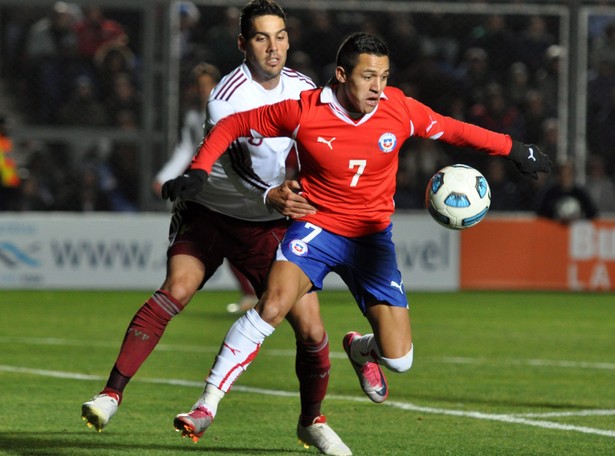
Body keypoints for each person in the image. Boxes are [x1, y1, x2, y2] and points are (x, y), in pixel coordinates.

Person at [163, 32, 551, 449]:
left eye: (384, 77)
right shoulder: (304, 112)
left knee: (400, 359)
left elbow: (453, 131)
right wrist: (200, 169)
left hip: (371, 239)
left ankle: (360, 349)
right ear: (342, 74)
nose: (378, 87)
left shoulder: (398, 109)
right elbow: (234, 124)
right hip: (317, 228)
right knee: (273, 304)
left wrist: (514, 148)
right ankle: (206, 405)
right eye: (369, 77)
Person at [82, 2, 351, 455]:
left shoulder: (306, 89)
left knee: (310, 328)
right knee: (178, 289)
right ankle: (110, 395)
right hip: (211, 213)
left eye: (281, 36)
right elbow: (239, 170)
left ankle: (312, 421)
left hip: (265, 226)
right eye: (262, 38)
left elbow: (321, 143)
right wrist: (273, 194)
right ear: (243, 43)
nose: (274, 47)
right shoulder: (227, 96)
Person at [152, 61, 258, 313]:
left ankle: (259, 293)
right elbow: (186, 149)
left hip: (232, 184)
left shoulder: (229, 108)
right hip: (207, 185)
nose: (202, 90)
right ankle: (253, 294)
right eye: (198, 86)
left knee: (237, 242)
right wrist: (164, 176)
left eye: (206, 84)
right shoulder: (193, 116)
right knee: (228, 242)